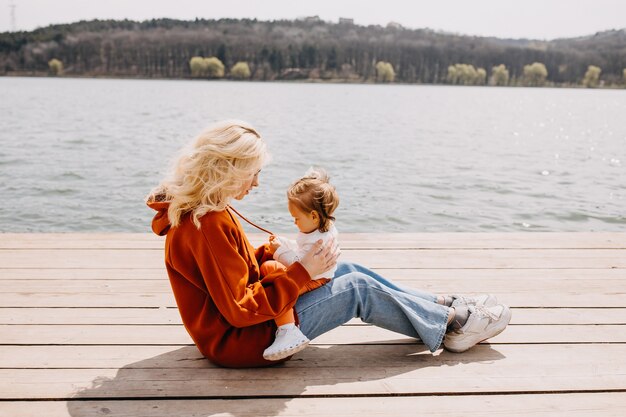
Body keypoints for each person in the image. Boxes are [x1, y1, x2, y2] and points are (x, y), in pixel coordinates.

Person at [146, 120, 511, 368]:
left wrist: (269, 253)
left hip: (250, 326)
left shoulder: (206, 211)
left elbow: (228, 275)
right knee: (356, 289)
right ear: (227, 170)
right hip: (246, 341)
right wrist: (302, 270)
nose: (255, 184)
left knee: (347, 271)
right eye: (252, 173)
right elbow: (240, 309)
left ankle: (443, 304)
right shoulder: (205, 223)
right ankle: (452, 327)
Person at [260, 168, 340, 361]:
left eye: (296, 218)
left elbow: (300, 267)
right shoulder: (319, 229)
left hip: (314, 279)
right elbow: (300, 249)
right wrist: (284, 243)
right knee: (271, 268)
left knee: (275, 275)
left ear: (313, 216)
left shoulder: (318, 242)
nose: (294, 223)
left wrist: (278, 251)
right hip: (318, 273)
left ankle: (287, 330)